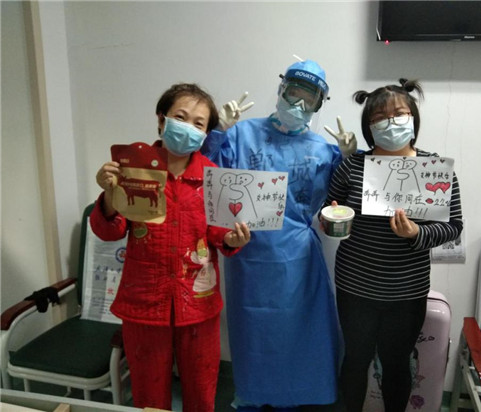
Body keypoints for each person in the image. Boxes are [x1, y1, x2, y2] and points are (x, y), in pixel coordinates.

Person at [201, 59, 357, 411]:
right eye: (293, 93)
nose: (298, 104)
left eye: (309, 99)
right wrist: (217, 132)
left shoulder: (322, 150)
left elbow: (342, 198)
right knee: (253, 330)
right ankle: (252, 396)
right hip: (247, 251)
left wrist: (351, 158)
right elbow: (206, 178)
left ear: (319, 104)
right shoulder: (241, 135)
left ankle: (296, 398)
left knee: (300, 332)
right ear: (281, 89)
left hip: (298, 258)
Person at [91, 83, 251, 412]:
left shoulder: (212, 176)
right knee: (149, 394)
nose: (188, 127)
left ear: (206, 133)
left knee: (201, 390)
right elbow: (110, 231)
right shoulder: (133, 168)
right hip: (145, 302)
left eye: (198, 123)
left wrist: (231, 240)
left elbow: (218, 233)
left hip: (198, 303)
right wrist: (108, 194)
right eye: (181, 117)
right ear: (161, 119)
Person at [321, 79, 463, 412]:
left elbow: (453, 227)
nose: (391, 122)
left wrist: (416, 233)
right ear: (369, 127)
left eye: (399, 114)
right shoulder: (353, 165)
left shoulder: (434, 170)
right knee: (355, 358)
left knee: (397, 363)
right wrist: (331, 219)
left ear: (413, 118)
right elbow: (329, 208)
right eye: (380, 117)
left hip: (407, 291)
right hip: (355, 286)